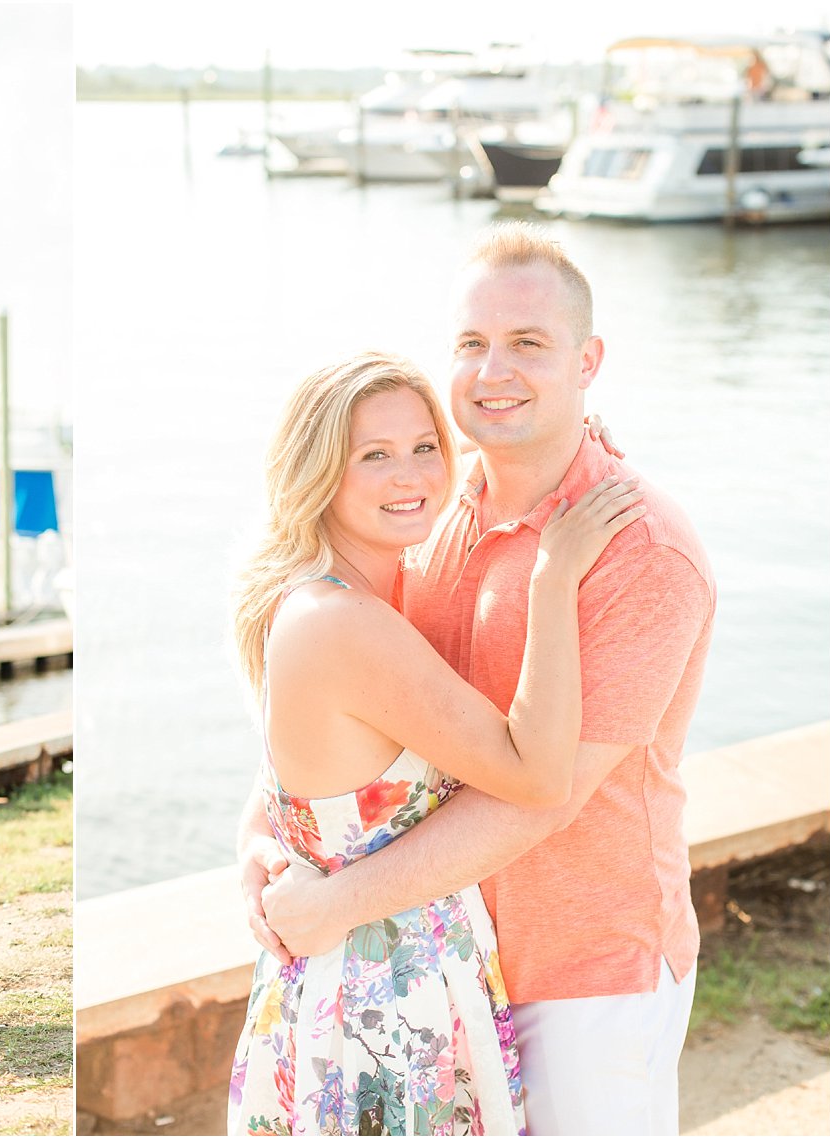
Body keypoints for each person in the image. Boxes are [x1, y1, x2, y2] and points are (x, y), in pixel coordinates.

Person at [241, 222, 716, 1135]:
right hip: (446, 971)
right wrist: (260, 841)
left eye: (527, 344)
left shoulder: (639, 550)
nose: (494, 370)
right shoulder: (428, 516)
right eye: (471, 344)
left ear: (589, 361)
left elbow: (545, 794)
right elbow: (353, 726)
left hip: (582, 976)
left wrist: (333, 902)